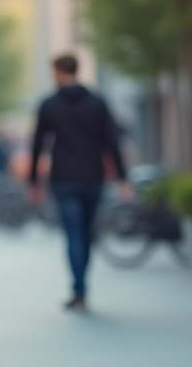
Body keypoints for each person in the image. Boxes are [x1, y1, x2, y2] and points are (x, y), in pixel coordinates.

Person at [29, 54, 129, 311]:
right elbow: (112, 143)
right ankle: (83, 285)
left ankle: (79, 288)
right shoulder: (97, 103)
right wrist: (122, 178)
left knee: (73, 234)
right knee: (86, 234)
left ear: (60, 72)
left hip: (63, 178)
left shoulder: (49, 105)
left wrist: (33, 182)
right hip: (92, 177)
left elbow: (38, 144)